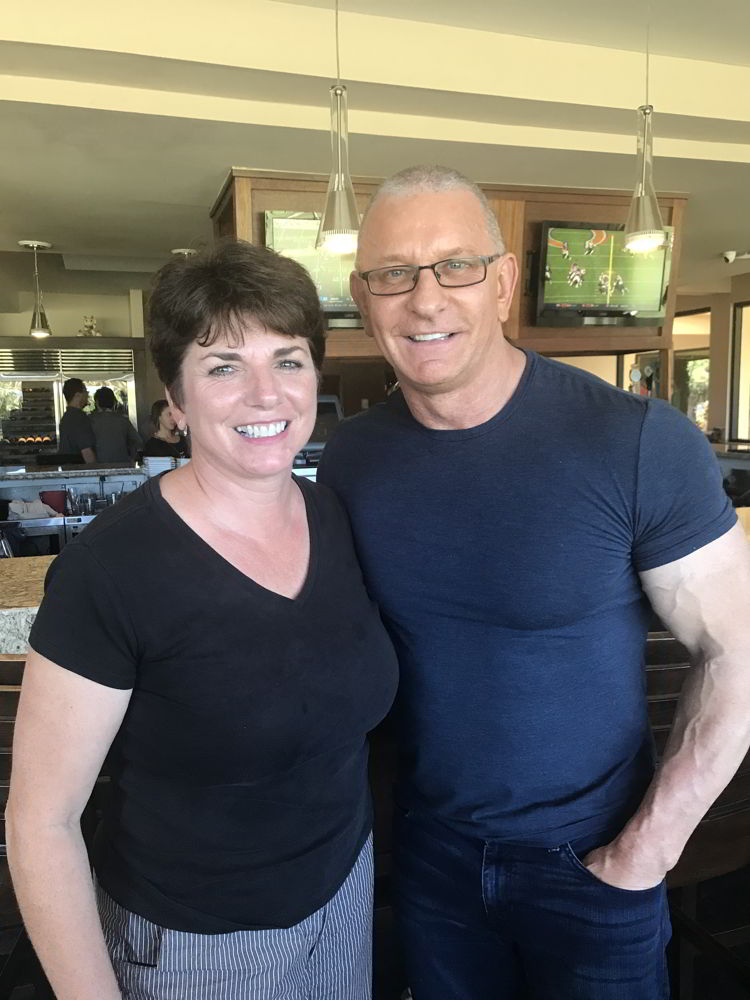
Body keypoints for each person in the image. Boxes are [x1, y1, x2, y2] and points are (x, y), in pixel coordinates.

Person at [317, 165, 750, 999]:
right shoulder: (353, 459)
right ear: (363, 297)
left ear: (505, 282)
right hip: (430, 856)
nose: (426, 298)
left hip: (594, 864)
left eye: (456, 265)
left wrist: (644, 853)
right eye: (393, 273)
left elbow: (738, 653)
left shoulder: (637, 443)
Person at [7, 240, 399, 1000]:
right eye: (224, 366)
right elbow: (40, 825)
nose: (265, 394)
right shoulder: (113, 569)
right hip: (195, 946)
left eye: (287, 360)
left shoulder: (337, 517)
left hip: (344, 897)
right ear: (176, 401)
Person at [90, 386, 142, 464]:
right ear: (114, 402)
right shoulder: (123, 420)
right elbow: (138, 442)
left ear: (97, 402)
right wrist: (132, 458)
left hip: (98, 465)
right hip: (122, 464)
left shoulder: (89, 420)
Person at [58, 376, 96, 463]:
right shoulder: (79, 418)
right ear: (77, 395)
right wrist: (97, 473)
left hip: (69, 470)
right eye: (85, 391)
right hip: (80, 470)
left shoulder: (66, 417)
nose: (87, 394)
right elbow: (86, 452)